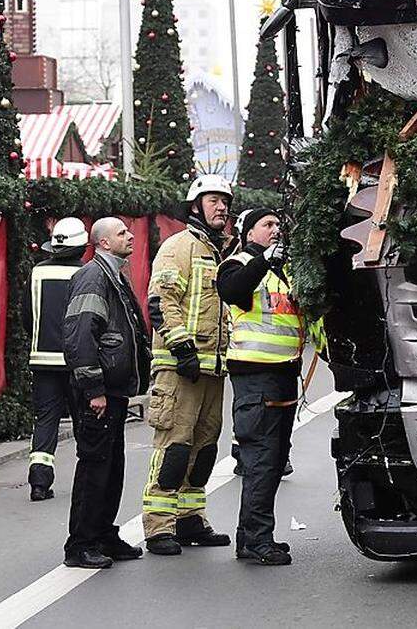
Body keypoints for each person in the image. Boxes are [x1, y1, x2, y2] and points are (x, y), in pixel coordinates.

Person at [141, 175, 234, 556]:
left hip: (214, 368)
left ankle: (190, 518)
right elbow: (161, 301)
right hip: (180, 367)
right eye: (213, 200)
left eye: (225, 201)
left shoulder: (221, 251)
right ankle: (158, 526)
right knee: (174, 447)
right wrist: (182, 350)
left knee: (204, 448)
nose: (222, 208)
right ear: (195, 205)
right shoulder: (178, 247)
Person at [217, 207, 315, 566]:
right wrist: (263, 262)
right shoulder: (237, 263)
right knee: (260, 459)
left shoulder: (283, 271)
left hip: (284, 374)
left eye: (278, 224)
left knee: (273, 461)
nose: (276, 230)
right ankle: (258, 540)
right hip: (255, 376)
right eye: (267, 225)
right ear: (248, 232)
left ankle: (252, 537)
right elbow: (232, 290)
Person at [61, 217, 151, 569]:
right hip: (98, 393)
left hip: (113, 390)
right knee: (95, 466)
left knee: (112, 466)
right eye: (121, 233)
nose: (130, 236)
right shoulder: (93, 277)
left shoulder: (114, 275)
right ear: (102, 243)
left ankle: (103, 534)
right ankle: (80, 543)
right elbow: (81, 335)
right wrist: (93, 389)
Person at [24, 217, 88, 502]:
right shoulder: (88, 274)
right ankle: (89, 481)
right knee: (83, 422)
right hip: (79, 362)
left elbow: (28, 317)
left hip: (43, 361)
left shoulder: (37, 273)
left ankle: (39, 482)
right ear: (83, 246)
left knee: (46, 419)